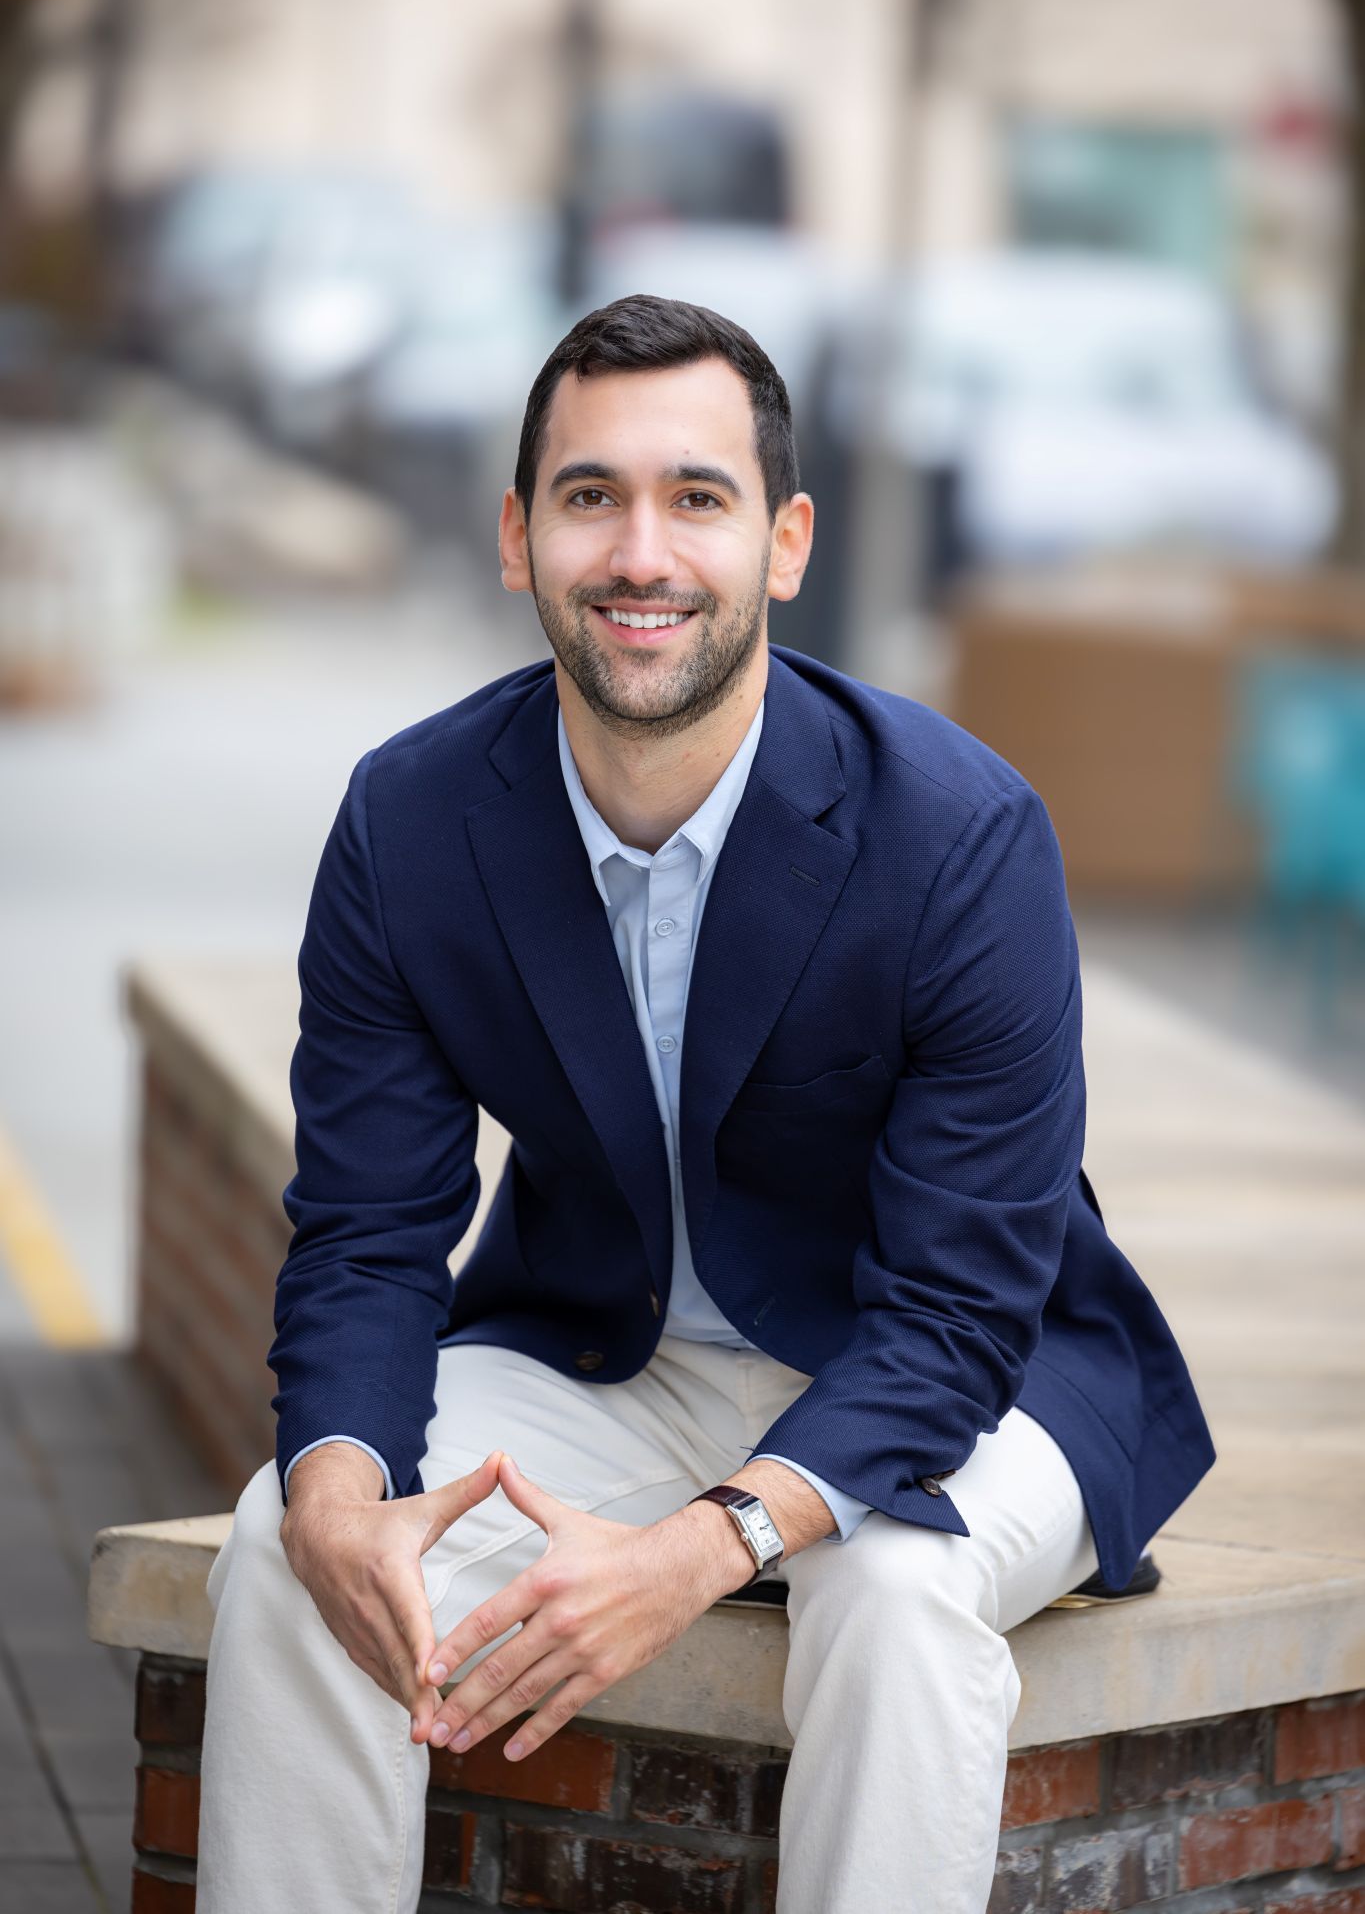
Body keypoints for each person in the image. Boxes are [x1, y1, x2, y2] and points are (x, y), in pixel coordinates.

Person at [197, 294, 1216, 1914]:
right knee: (285, 1545)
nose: (639, 553)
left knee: (886, 1595)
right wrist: (337, 1481)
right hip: (607, 1356)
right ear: (520, 535)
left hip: (974, 1377)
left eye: (697, 497)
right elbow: (369, 1228)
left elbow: (958, 1307)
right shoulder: (411, 821)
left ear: (785, 542)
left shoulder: (955, 836)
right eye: (590, 496)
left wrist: (693, 1555)